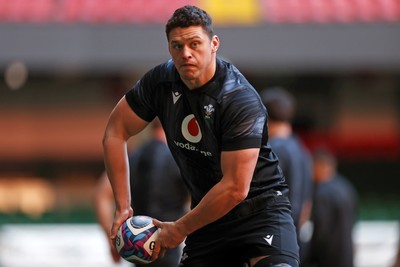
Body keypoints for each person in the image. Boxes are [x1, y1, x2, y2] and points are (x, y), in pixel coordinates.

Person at [102, 5, 299, 267]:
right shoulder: (159, 82)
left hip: (261, 211)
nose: (186, 54)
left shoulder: (239, 99)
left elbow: (235, 189)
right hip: (207, 218)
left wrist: (180, 228)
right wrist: (123, 206)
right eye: (177, 46)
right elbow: (115, 132)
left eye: (195, 44)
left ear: (214, 43)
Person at [94, 119, 189, 267]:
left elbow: (102, 195)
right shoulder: (179, 159)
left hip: (137, 250)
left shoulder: (132, 157)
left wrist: (112, 238)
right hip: (169, 250)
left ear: (152, 129)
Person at [259, 87, 313, 264]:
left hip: (271, 238)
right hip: (292, 238)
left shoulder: (272, 150)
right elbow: (306, 206)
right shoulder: (302, 150)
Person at [306, 148, 358, 267]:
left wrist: (311, 257)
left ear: (320, 166)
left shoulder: (323, 192)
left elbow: (321, 230)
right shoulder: (347, 187)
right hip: (346, 254)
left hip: (329, 258)